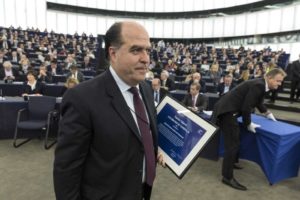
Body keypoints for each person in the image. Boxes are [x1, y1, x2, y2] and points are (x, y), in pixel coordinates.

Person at [53, 21, 164, 200]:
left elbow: (140, 137)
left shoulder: (146, 89)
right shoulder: (81, 98)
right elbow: (67, 170)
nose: (146, 59)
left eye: (148, 50)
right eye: (136, 50)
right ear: (113, 53)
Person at [211, 68, 286, 191]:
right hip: (227, 112)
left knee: (236, 140)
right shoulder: (259, 85)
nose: (280, 84)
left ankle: (233, 162)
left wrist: (267, 113)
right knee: (232, 145)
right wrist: (248, 124)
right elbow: (247, 107)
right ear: (270, 78)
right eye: (278, 81)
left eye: (281, 82)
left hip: (230, 110)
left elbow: (258, 102)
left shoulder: (261, 84)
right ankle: (227, 177)